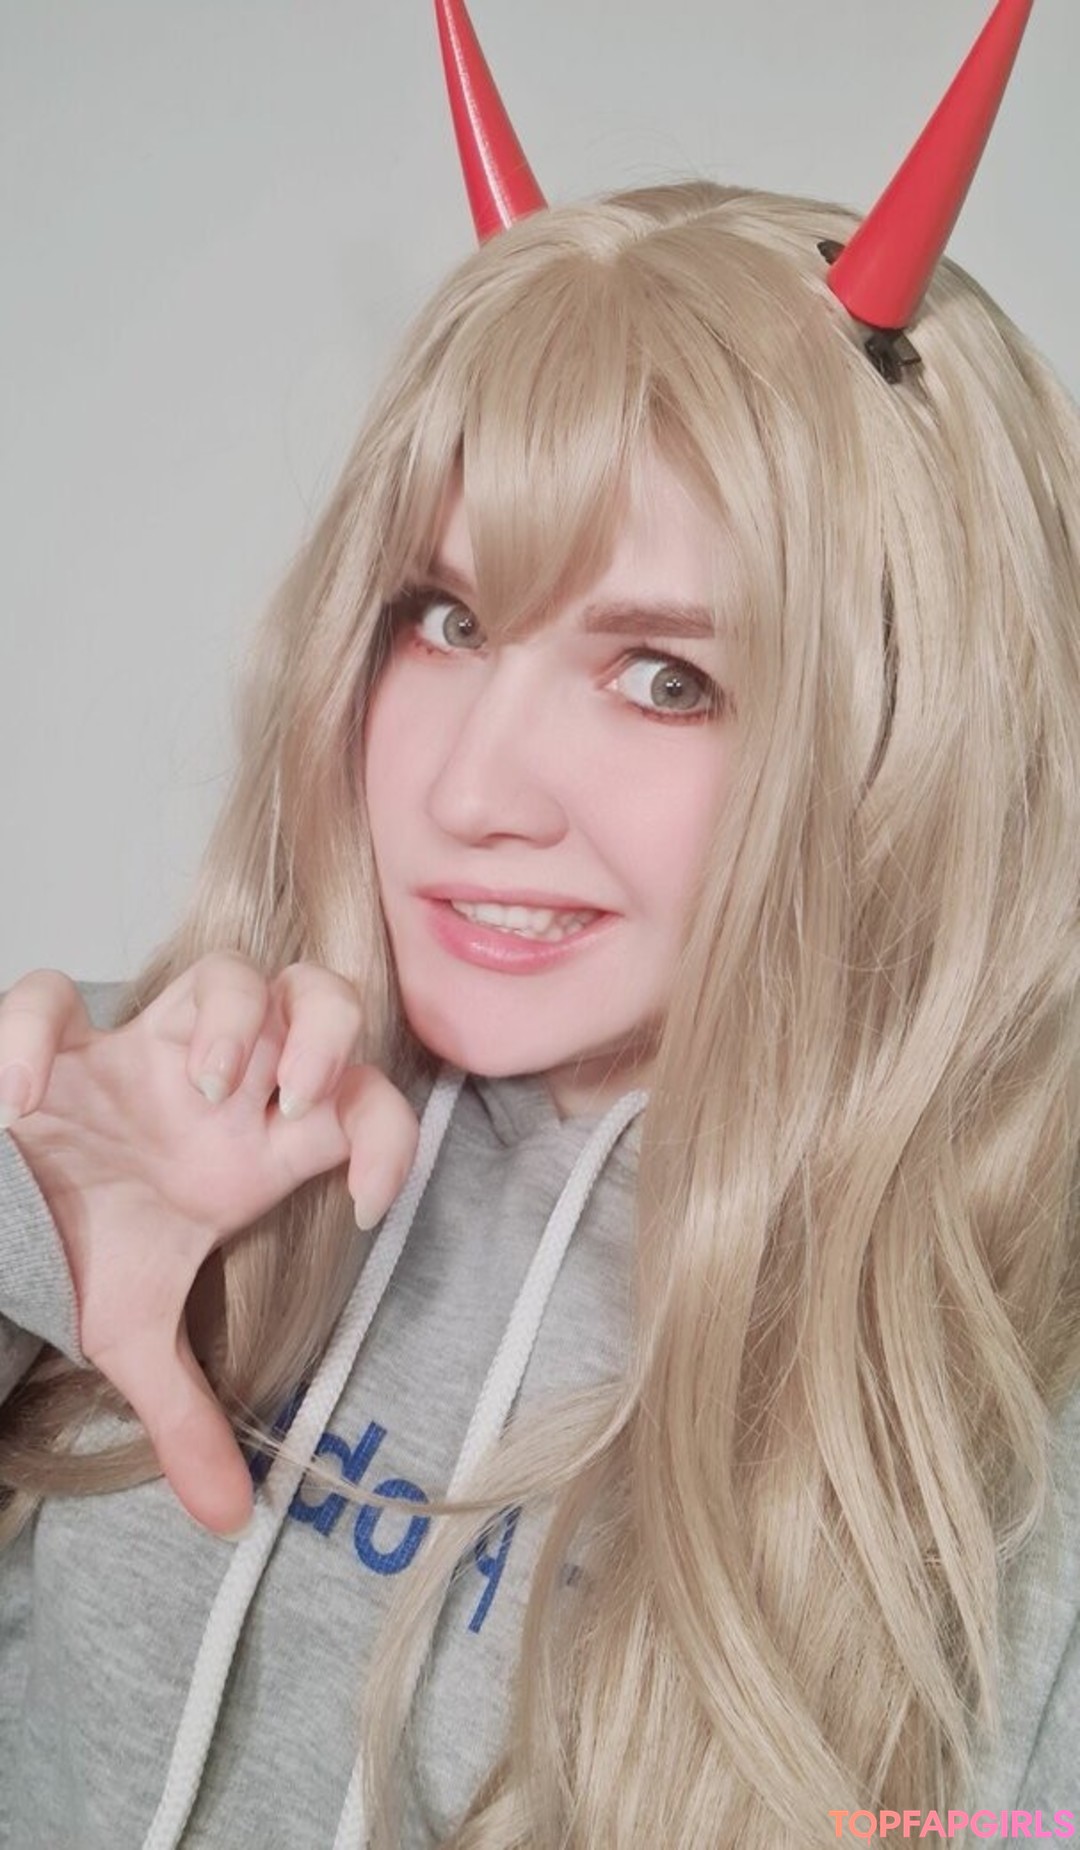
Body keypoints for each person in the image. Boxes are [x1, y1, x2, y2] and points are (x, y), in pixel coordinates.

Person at [1, 1, 1078, 1845]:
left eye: (666, 676)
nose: (471, 782)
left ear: (912, 740)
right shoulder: (144, 1112)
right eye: (449, 619)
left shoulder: (1005, 1409)